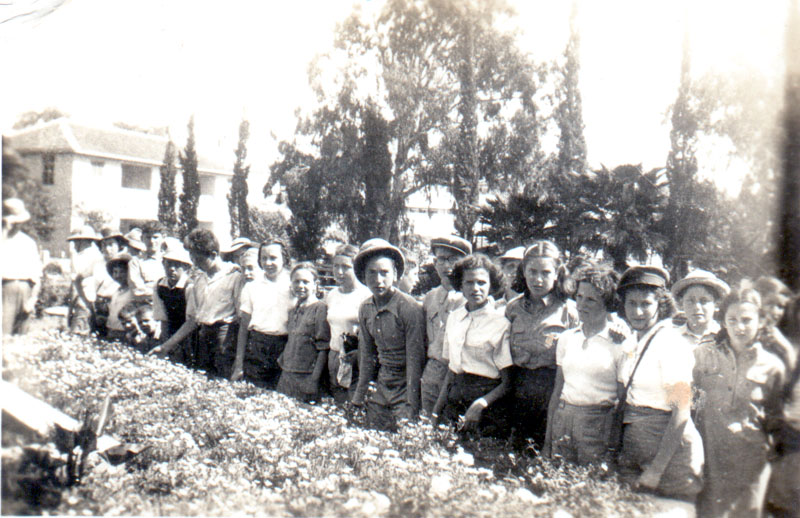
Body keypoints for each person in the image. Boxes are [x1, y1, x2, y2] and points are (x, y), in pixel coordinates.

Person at [693, 284, 786, 517]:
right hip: (710, 459)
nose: (739, 327)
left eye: (746, 320)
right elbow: (687, 401)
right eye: (732, 320)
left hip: (750, 463)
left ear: (761, 321)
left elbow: (778, 422)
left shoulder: (772, 366)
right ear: (723, 321)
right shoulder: (703, 355)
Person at [615, 266, 703, 502]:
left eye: (646, 304)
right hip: (636, 449)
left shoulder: (671, 343)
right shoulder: (632, 342)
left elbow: (681, 412)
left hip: (671, 459)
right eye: (631, 303)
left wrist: (656, 470)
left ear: (660, 304)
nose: (638, 311)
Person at [544, 263, 629, 464]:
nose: (581, 305)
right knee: (557, 476)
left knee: (591, 478)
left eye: (591, 299)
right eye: (580, 297)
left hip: (597, 424)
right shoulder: (567, 338)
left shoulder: (620, 343)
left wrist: (614, 443)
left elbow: (622, 400)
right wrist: (547, 442)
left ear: (607, 303)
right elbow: (558, 391)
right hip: (563, 419)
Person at [505, 240, 578, 447]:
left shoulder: (569, 311)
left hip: (552, 390)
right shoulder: (512, 308)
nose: (538, 279)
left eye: (546, 273)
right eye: (532, 271)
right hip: (517, 388)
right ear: (524, 272)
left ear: (557, 274)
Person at [432, 254, 512, 437]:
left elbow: (508, 382)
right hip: (455, 400)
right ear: (460, 285)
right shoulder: (454, 318)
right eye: (469, 282)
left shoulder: (500, 324)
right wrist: (436, 412)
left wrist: (481, 404)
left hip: (488, 405)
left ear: (491, 285)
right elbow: (452, 371)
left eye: (481, 283)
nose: (475, 288)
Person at [149, 229, 244, 379]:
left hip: (225, 339)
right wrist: (166, 346)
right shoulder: (199, 281)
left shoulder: (234, 277)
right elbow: (193, 320)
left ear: (213, 255)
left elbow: (241, 318)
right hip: (204, 338)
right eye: (192, 258)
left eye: (198, 259)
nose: (194, 263)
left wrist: (239, 362)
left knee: (223, 382)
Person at [351, 238, 425, 428]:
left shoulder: (408, 308)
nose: (378, 280)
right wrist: (358, 397)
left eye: (384, 273)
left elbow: (415, 359)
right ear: (363, 275)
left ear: (395, 274)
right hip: (382, 386)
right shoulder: (365, 308)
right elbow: (366, 355)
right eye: (372, 273)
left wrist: (411, 404)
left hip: (406, 387)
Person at [420, 235, 472, 414]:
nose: (446, 265)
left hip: (460, 375)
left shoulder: (471, 298)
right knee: (427, 421)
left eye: (453, 259)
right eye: (441, 259)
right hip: (433, 371)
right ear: (435, 263)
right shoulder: (430, 297)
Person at [232, 239, 293, 387]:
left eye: (273, 258)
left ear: (284, 258)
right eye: (264, 258)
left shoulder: (293, 286)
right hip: (257, 346)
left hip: (285, 345)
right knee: (256, 391)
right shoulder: (252, 287)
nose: (268, 263)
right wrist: (239, 364)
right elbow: (243, 327)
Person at [276, 262, 331, 402]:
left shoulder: (320, 309)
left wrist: (313, 380)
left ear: (315, 284)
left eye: (306, 282)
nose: (300, 286)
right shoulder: (293, 310)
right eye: (296, 281)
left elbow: (323, 348)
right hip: (287, 374)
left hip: (306, 376)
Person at [325, 244, 372, 404]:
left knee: (353, 405)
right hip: (334, 355)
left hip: (355, 359)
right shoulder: (331, 295)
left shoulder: (366, 296)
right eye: (336, 266)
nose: (339, 272)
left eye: (345, 267)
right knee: (336, 403)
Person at [2, 198, 42, 335]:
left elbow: (37, 274)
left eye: (18, 222)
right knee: (3, 334)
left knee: (21, 335)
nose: (15, 225)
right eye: (12, 222)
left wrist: (33, 299)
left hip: (25, 289)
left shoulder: (28, 242)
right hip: (4, 289)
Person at [152, 238, 194, 366]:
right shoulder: (159, 286)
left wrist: (170, 344)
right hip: (170, 333)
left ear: (186, 267)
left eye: (177, 265)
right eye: (168, 264)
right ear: (163, 263)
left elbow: (192, 321)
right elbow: (163, 318)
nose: (172, 269)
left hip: (190, 335)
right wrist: (165, 344)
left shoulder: (190, 287)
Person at [671, 269, 730, 348]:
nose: (697, 307)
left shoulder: (727, 337)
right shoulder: (672, 338)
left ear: (716, 304)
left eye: (704, 301)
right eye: (690, 301)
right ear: (682, 303)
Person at [754, 276, 797, 371]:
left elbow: (792, 374)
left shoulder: (777, 338)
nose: (775, 311)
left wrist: (787, 349)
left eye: (780, 307)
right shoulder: (745, 330)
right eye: (769, 304)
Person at [67, 225, 103, 335]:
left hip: (83, 299)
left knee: (78, 333)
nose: (74, 245)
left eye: (76, 242)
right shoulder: (97, 255)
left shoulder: (84, 256)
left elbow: (76, 283)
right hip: (88, 300)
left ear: (83, 241)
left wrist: (70, 309)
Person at [128, 224, 165, 305]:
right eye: (148, 237)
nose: (152, 241)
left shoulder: (169, 260)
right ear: (142, 238)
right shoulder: (136, 262)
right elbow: (137, 290)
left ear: (163, 238)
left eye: (155, 237)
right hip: (146, 305)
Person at [105, 253, 135, 341]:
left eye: (122, 272)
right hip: (112, 330)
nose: (118, 276)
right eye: (115, 272)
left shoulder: (133, 291)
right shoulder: (116, 291)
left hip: (125, 332)